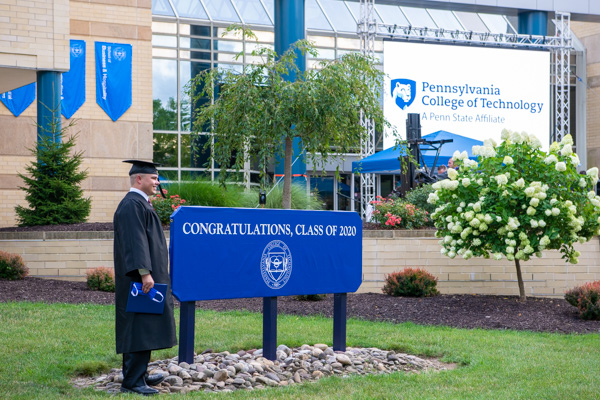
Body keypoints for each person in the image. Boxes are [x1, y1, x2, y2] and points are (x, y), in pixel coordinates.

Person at [113, 160, 177, 396]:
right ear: (139, 179)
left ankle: (140, 374)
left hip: (145, 278)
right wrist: (145, 273)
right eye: (154, 178)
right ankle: (132, 381)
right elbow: (135, 241)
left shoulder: (140, 203)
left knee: (145, 325)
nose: (157, 182)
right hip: (139, 279)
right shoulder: (132, 205)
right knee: (138, 326)